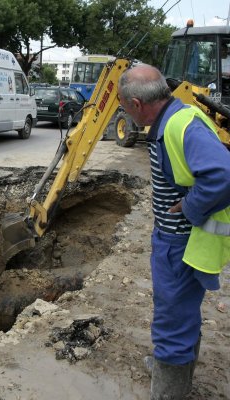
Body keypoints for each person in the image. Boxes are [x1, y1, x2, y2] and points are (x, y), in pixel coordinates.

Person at [118, 64, 230, 400]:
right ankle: (172, 371)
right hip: (177, 240)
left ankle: (169, 390)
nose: (124, 112)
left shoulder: (180, 126)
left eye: (124, 107)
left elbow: (224, 174)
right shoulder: (175, 118)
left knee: (172, 319)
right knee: (181, 313)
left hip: (181, 243)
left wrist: (191, 206)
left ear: (136, 104)